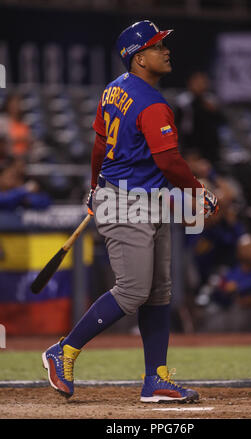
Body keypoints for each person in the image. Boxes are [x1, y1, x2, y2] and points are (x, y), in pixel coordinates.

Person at [42, 20, 218, 403]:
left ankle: (156, 379)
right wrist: (196, 190)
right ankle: (64, 351)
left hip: (140, 198)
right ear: (139, 58)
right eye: (157, 46)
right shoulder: (153, 104)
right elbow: (169, 160)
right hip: (127, 202)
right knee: (134, 290)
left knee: (158, 293)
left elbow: (99, 147)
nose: (165, 50)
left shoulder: (113, 90)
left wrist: (93, 187)